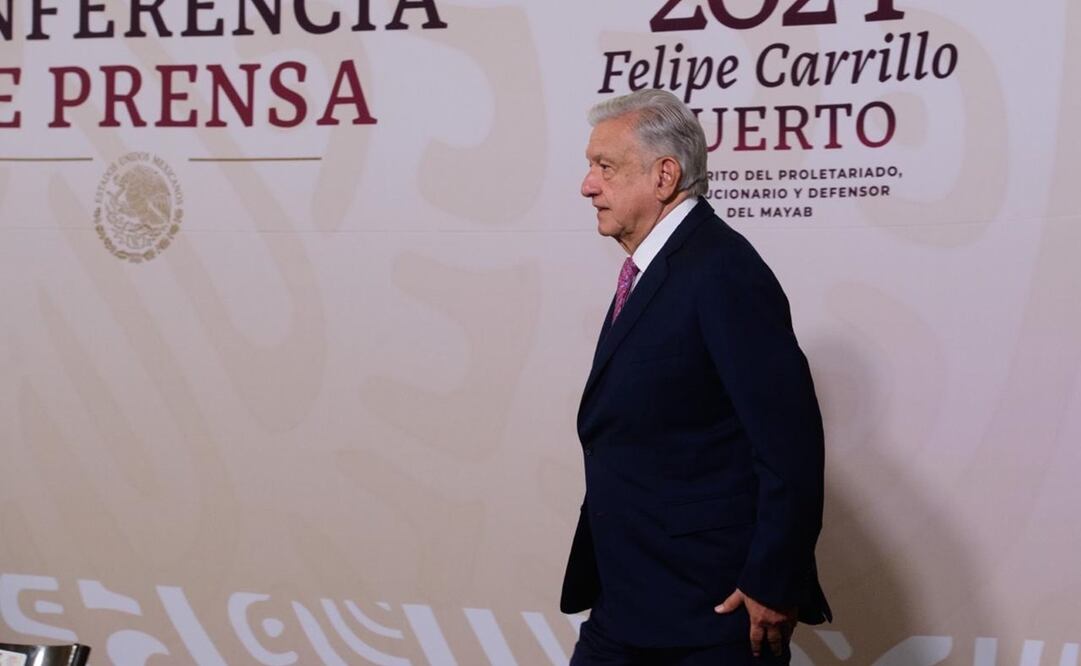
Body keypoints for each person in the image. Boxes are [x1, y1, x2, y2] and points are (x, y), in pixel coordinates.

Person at [561, 88, 831, 665]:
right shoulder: (653, 268)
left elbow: (791, 444)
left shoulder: (722, 270)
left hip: (711, 612)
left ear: (665, 176)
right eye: (590, 168)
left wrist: (772, 579)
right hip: (628, 599)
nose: (587, 186)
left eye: (603, 167)